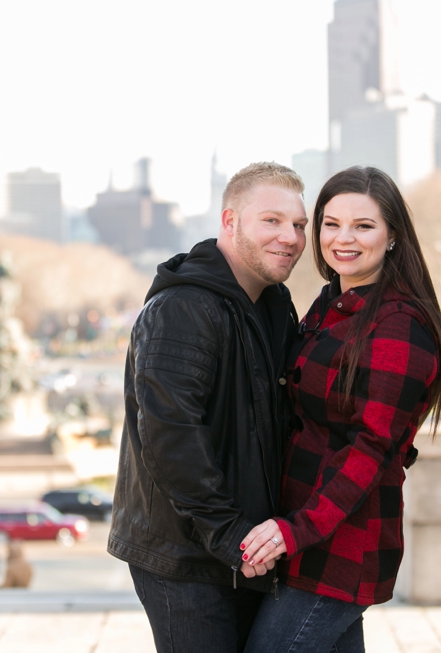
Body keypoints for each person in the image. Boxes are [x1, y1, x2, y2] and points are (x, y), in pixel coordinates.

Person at [240, 166, 441, 653]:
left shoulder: (398, 325)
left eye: (363, 225)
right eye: (331, 224)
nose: (343, 239)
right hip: (305, 529)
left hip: (340, 545)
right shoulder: (333, 301)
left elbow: (370, 448)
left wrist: (295, 531)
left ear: (393, 235)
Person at [107, 162, 309, 653]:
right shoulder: (182, 309)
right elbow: (170, 434)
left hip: (245, 550)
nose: (290, 237)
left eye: (299, 225)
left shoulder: (274, 305)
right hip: (185, 558)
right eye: (272, 221)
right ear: (229, 221)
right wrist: (230, 536)